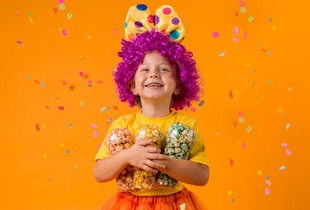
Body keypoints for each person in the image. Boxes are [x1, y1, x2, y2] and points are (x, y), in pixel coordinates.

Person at [93, 4, 210, 209]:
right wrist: (127, 156)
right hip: (130, 203)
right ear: (132, 86)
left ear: (178, 85)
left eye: (164, 69)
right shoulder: (123, 125)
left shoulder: (186, 125)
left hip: (176, 203)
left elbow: (202, 176)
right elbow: (99, 173)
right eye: (144, 69)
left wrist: (165, 162)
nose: (154, 74)